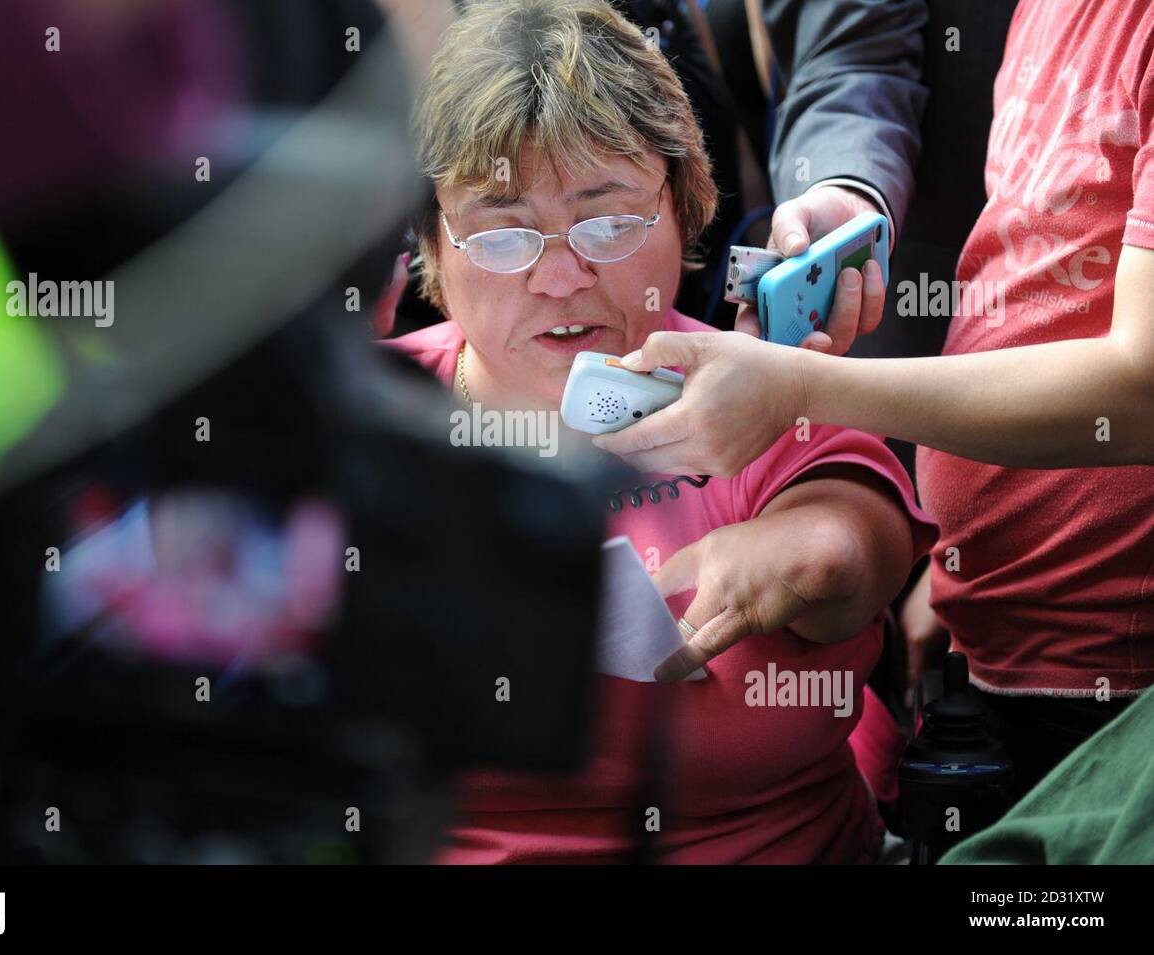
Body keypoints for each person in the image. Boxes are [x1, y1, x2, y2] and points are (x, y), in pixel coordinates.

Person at [383, 0, 936, 862]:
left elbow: (851, 545)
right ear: (433, 248)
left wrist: (796, 554)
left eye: (606, 221)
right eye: (501, 234)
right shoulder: (371, 410)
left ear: (685, 215)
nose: (561, 276)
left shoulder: (765, 382)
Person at [593, 0, 1154, 795]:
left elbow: (1142, 392)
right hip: (990, 630)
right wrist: (965, 566)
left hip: (1117, 682)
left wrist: (804, 387)